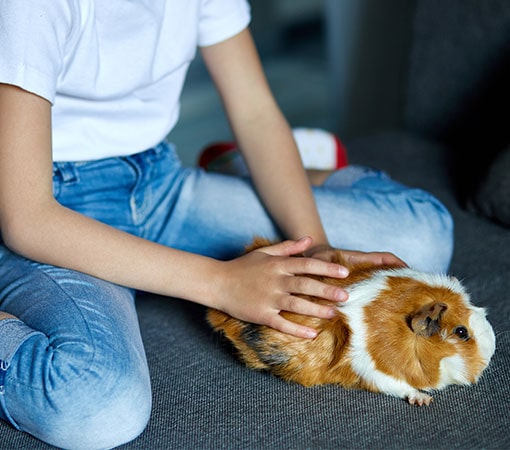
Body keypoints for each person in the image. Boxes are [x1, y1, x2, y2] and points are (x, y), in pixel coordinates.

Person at [0, 1, 453, 448]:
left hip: (158, 181)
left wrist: (317, 247)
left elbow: (255, 113)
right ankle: (246, 180)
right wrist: (220, 282)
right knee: (98, 407)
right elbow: (27, 219)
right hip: (53, 203)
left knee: (425, 236)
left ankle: (240, 170)